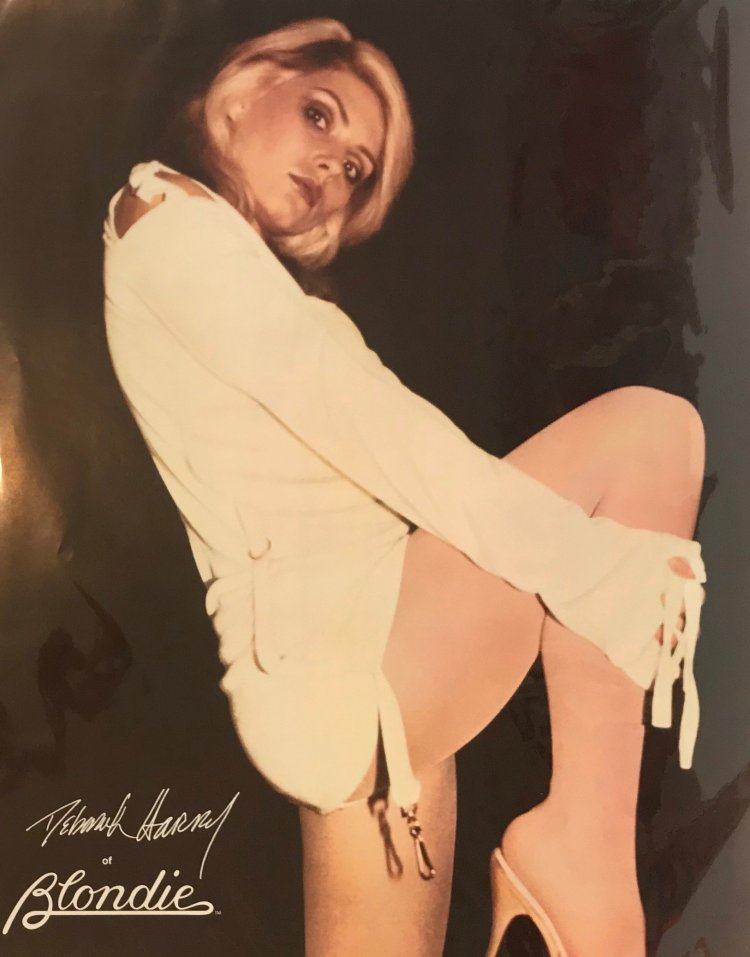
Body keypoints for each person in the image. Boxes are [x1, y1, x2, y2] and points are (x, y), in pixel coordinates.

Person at [102, 17, 708, 957]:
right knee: (652, 435)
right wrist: (588, 564)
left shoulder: (227, 264)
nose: (331, 166)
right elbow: (382, 431)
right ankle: (579, 862)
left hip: (364, 675)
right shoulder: (168, 220)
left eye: (355, 168)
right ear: (246, 86)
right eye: (319, 115)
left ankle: (576, 870)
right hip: (354, 658)